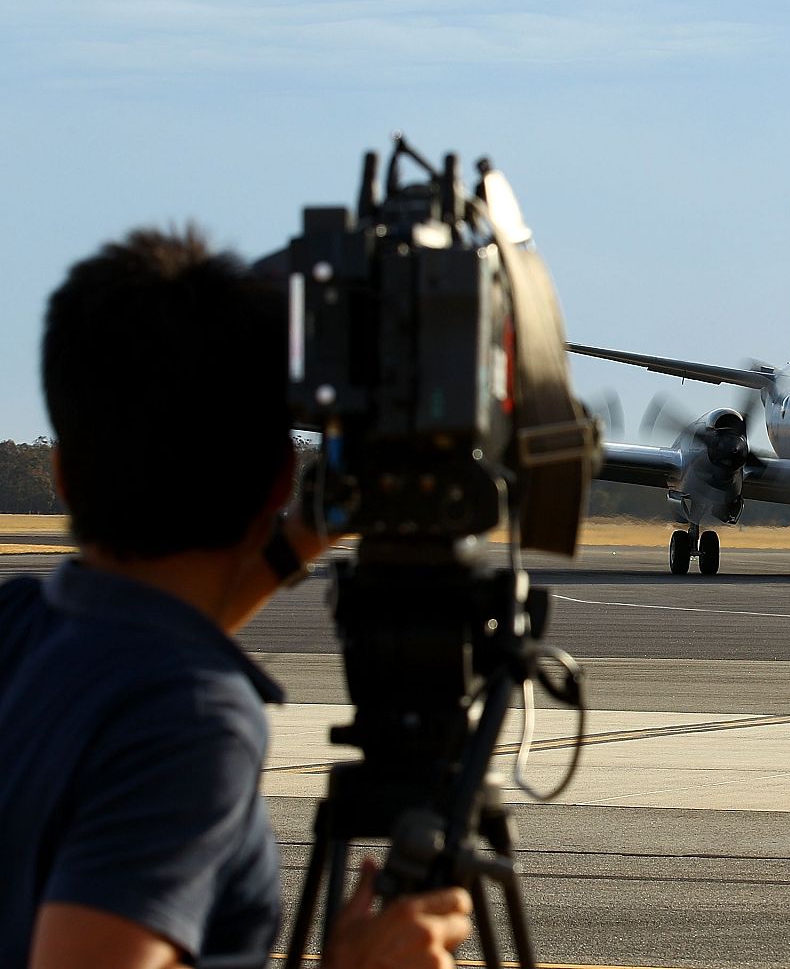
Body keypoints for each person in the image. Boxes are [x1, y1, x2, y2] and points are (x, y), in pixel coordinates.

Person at [0, 228, 473, 968]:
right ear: (280, 477)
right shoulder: (188, 719)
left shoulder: (20, 628)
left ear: (60, 472)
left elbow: (150, 623)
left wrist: (300, 538)